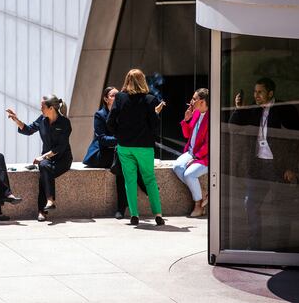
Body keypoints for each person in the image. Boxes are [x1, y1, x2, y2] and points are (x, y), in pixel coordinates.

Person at [229, 77, 299, 250]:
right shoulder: (254, 110)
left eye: (260, 92)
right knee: (251, 205)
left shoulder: (286, 110)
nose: (256, 96)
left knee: (281, 209)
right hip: (257, 167)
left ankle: (282, 248)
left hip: (278, 167)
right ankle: (254, 246)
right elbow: (232, 126)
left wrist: (292, 167)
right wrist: (239, 109)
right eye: (255, 92)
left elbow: (297, 140)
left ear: (271, 93)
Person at [107, 69, 166, 226]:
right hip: (144, 147)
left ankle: (134, 215)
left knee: (130, 180)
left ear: (127, 80)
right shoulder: (150, 100)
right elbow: (155, 125)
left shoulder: (119, 98)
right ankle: (158, 214)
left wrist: (119, 135)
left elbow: (110, 122)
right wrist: (156, 113)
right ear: (143, 81)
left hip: (125, 146)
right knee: (150, 179)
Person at [82, 86, 147, 219]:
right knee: (122, 164)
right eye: (113, 96)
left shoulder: (123, 113)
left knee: (125, 161)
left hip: (118, 152)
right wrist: (121, 139)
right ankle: (141, 190)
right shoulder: (100, 115)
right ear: (106, 99)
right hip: (103, 153)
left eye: (118, 95)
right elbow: (102, 139)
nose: (117, 98)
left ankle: (122, 208)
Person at [6, 95, 72, 222]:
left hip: (62, 159)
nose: (40, 108)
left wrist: (42, 156)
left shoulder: (65, 123)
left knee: (44, 172)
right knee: (44, 167)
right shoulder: (42, 119)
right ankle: (49, 201)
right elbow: (29, 129)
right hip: (47, 159)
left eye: (42, 106)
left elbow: (61, 147)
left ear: (51, 108)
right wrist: (16, 120)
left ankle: (43, 210)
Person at [173, 88, 209, 217]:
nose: (191, 101)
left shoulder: (212, 117)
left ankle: (198, 205)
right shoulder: (196, 113)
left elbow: (209, 144)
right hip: (191, 152)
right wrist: (186, 120)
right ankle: (202, 192)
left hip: (206, 157)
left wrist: (196, 158)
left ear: (202, 101)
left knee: (189, 175)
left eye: (194, 99)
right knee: (176, 167)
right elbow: (187, 134)